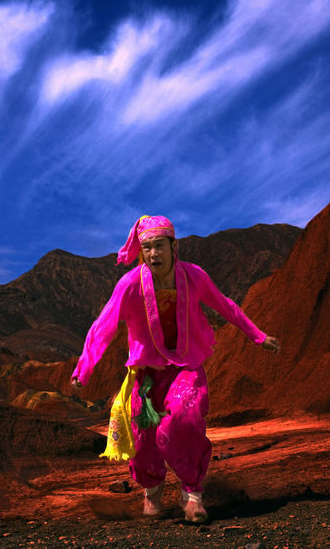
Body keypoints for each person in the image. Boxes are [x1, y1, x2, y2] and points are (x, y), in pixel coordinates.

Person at [70, 215, 279, 523]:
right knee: (143, 439)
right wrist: (83, 370)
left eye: (159, 246)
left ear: (173, 246)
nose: (153, 254)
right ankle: (152, 493)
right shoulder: (130, 285)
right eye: (147, 248)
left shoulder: (193, 277)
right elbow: (104, 326)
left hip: (186, 367)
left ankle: (193, 494)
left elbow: (225, 305)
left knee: (184, 419)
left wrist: (258, 336)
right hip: (146, 376)